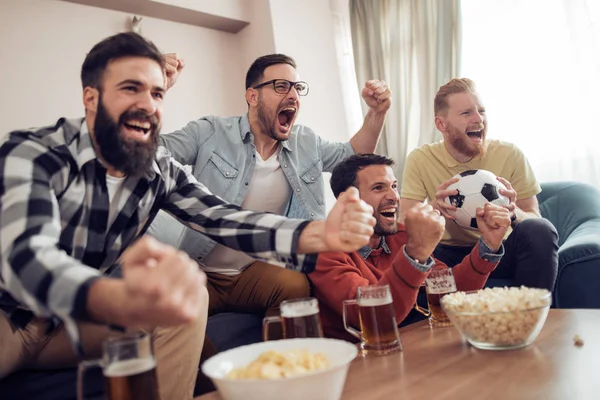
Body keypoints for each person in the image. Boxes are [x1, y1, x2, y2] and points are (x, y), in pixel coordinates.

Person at [0, 33, 376, 400]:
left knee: (186, 303)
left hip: (71, 326)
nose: (148, 104)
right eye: (131, 88)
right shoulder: (34, 153)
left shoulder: (156, 169)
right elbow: (26, 258)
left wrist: (321, 233)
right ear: (91, 98)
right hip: (9, 318)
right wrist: (119, 297)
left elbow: (225, 218)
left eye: (157, 93)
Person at [147, 53, 392, 320]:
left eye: (297, 88)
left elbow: (354, 156)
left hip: (257, 271)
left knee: (295, 285)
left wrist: (377, 113)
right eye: (281, 86)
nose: (293, 95)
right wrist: (153, 90)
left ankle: (280, 357)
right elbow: (148, 152)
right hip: (201, 271)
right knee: (165, 316)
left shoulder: (305, 141)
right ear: (252, 96)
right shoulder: (209, 132)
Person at [309, 154, 511, 341]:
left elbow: (451, 292)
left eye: (394, 186)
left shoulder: (401, 236)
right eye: (379, 188)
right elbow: (372, 316)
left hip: (412, 341)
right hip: (362, 358)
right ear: (348, 200)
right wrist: (414, 253)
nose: (394, 196)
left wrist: (489, 245)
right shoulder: (325, 249)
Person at [400, 78, 558, 291]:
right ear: (441, 124)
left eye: (481, 111)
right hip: (447, 253)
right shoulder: (420, 158)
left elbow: (533, 216)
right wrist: (435, 209)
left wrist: (513, 213)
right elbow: (404, 225)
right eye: (466, 113)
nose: (479, 120)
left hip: (502, 249)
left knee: (540, 229)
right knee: (405, 250)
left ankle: (534, 317)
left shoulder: (510, 154)